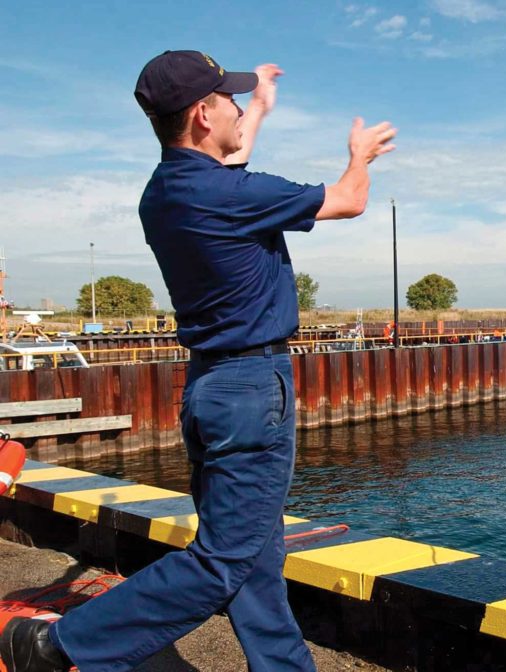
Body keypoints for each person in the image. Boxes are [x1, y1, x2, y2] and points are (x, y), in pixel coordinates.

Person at [0, 50, 395, 672]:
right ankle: (57, 646)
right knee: (226, 558)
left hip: (211, 386)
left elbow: (228, 165)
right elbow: (348, 201)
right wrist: (360, 157)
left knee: (255, 553)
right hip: (251, 389)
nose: (238, 107)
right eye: (229, 100)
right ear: (204, 113)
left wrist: (259, 109)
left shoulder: (167, 191)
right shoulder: (232, 193)